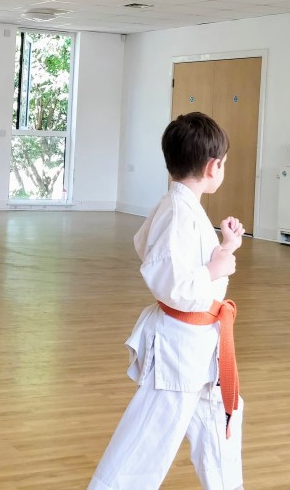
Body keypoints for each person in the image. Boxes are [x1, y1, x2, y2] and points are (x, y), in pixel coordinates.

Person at [89, 112, 245, 490]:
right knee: (148, 438)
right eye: (224, 163)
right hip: (180, 347)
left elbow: (171, 260)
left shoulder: (181, 206)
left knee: (222, 418)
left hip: (201, 343)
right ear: (213, 166)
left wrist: (225, 248)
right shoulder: (177, 212)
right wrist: (214, 268)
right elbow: (170, 283)